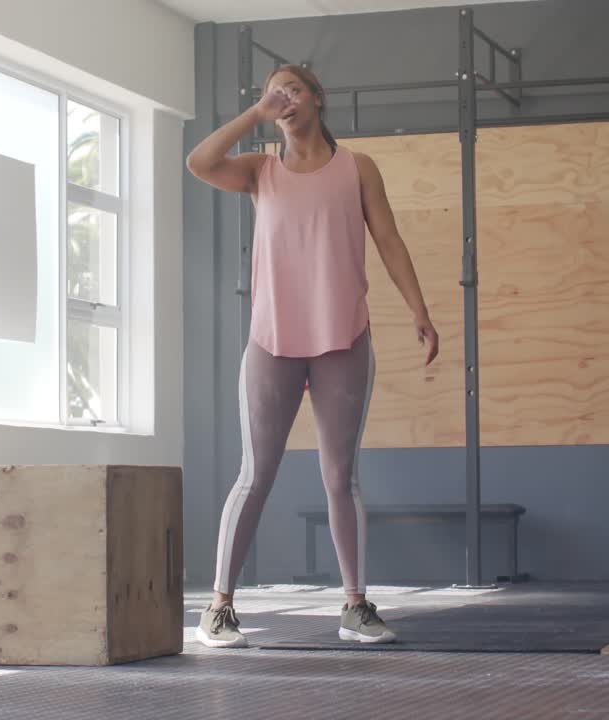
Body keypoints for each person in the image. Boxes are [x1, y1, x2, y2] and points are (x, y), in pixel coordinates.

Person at [186, 64, 439, 648]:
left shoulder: (358, 169)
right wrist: (254, 115)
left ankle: (355, 605)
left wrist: (419, 311)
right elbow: (200, 163)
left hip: (342, 338)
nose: (283, 98)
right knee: (257, 472)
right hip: (272, 341)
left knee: (339, 475)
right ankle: (219, 607)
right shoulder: (259, 171)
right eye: (273, 92)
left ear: (318, 99)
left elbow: (390, 240)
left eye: (293, 88)